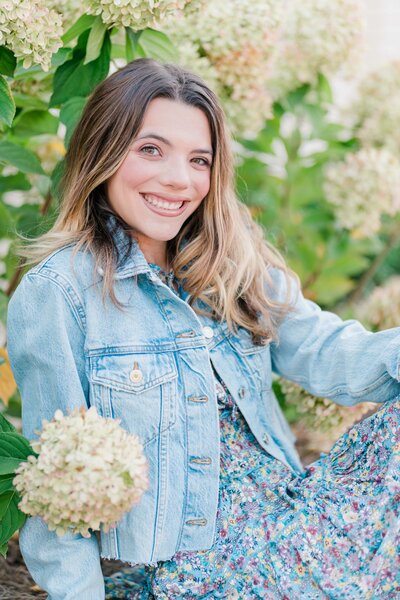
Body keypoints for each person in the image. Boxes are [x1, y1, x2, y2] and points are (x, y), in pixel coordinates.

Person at [6, 57, 400, 600]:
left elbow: (332, 351)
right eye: (150, 150)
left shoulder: (233, 264)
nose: (179, 179)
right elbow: (57, 486)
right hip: (197, 571)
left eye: (199, 160)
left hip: (293, 527)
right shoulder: (59, 293)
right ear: (103, 151)